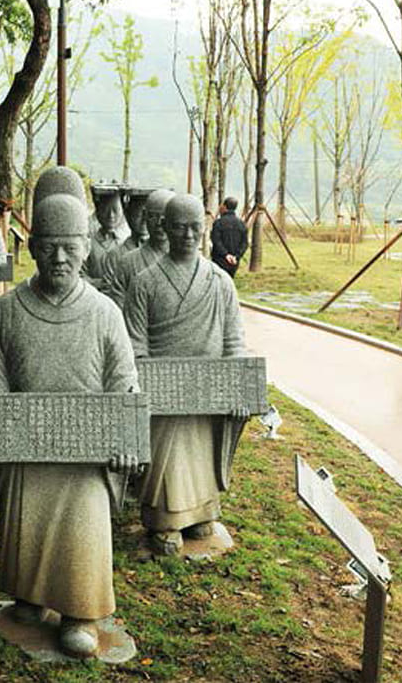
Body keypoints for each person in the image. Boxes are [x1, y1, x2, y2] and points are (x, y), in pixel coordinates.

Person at [0, 175, 139, 659]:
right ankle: (29, 596)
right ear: (34, 248)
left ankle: (80, 612)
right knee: (26, 522)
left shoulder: (105, 313)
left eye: (70, 248)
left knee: (82, 531)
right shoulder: (6, 312)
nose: (60, 259)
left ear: (85, 248)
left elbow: (124, 384)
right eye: (49, 248)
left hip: (85, 459)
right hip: (27, 448)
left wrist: (124, 435)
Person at [124, 194, 248, 556]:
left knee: (200, 453)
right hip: (163, 393)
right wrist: (145, 382)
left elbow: (233, 340)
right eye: (179, 226)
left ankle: (202, 512)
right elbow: (136, 343)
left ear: (206, 228)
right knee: (169, 456)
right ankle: (165, 520)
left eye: (196, 226)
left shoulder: (220, 282)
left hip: (207, 392)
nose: (188, 234)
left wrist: (235, 384)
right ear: (164, 227)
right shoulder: (145, 282)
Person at [106, 188, 174, 309]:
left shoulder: (183, 260)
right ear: (145, 215)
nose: (159, 223)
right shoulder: (127, 263)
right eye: (153, 216)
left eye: (165, 218)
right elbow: (116, 304)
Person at [81, 185, 129, 293]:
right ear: (97, 211)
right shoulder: (88, 243)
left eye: (115, 210)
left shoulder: (127, 242)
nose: (111, 215)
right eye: (105, 209)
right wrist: (97, 283)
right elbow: (79, 276)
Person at [209, 196, 249, 278]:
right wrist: (236, 256)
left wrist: (226, 255)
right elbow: (244, 243)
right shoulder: (241, 224)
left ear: (224, 207)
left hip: (219, 259)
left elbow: (216, 240)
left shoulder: (218, 223)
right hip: (234, 262)